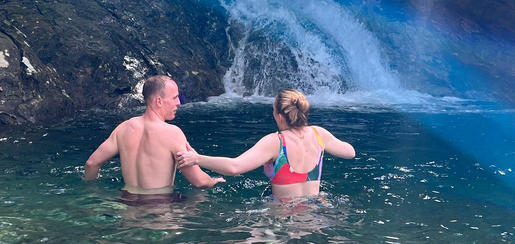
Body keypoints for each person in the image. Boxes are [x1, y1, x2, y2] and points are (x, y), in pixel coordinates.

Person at [176, 89, 355, 198]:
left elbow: (234, 167)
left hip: (282, 217)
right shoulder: (319, 135)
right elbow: (350, 152)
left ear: (279, 116)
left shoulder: (275, 142)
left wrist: (197, 159)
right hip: (315, 213)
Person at [84, 75, 224, 198]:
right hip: (159, 210)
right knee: (199, 200)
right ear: (159, 101)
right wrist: (214, 181)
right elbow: (199, 181)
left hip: (128, 205)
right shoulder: (172, 133)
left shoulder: (123, 128)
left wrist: (92, 193)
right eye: (175, 98)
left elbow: (91, 164)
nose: (179, 102)